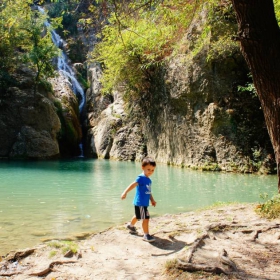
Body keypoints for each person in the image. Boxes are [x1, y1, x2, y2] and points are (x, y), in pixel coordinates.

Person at [121, 157, 157, 242]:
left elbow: (149, 191)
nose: (150, 172)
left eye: (152, 170)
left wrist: (152, 200)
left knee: (138, 216)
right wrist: (125, 192)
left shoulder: (149, 180)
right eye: (148, 169)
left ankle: (130, 226)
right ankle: (146, 235)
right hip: (140, 202)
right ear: (142, 167)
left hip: (143, 203)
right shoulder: (141, 178)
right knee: (146, 218)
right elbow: (133, 185)